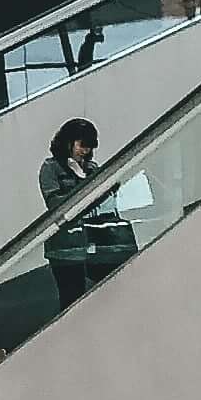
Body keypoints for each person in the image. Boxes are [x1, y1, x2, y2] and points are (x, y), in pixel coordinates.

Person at [38, 117, 134, 312]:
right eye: (82, 145)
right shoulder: (51, 167)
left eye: (89, 147)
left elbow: (101, 200)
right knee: (71, 298)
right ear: (68, 142)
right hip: (67, 245)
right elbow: (55, 204)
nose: (85, 151)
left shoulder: (92, 168)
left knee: (113, 291)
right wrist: (83, 182)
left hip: (96, 241)